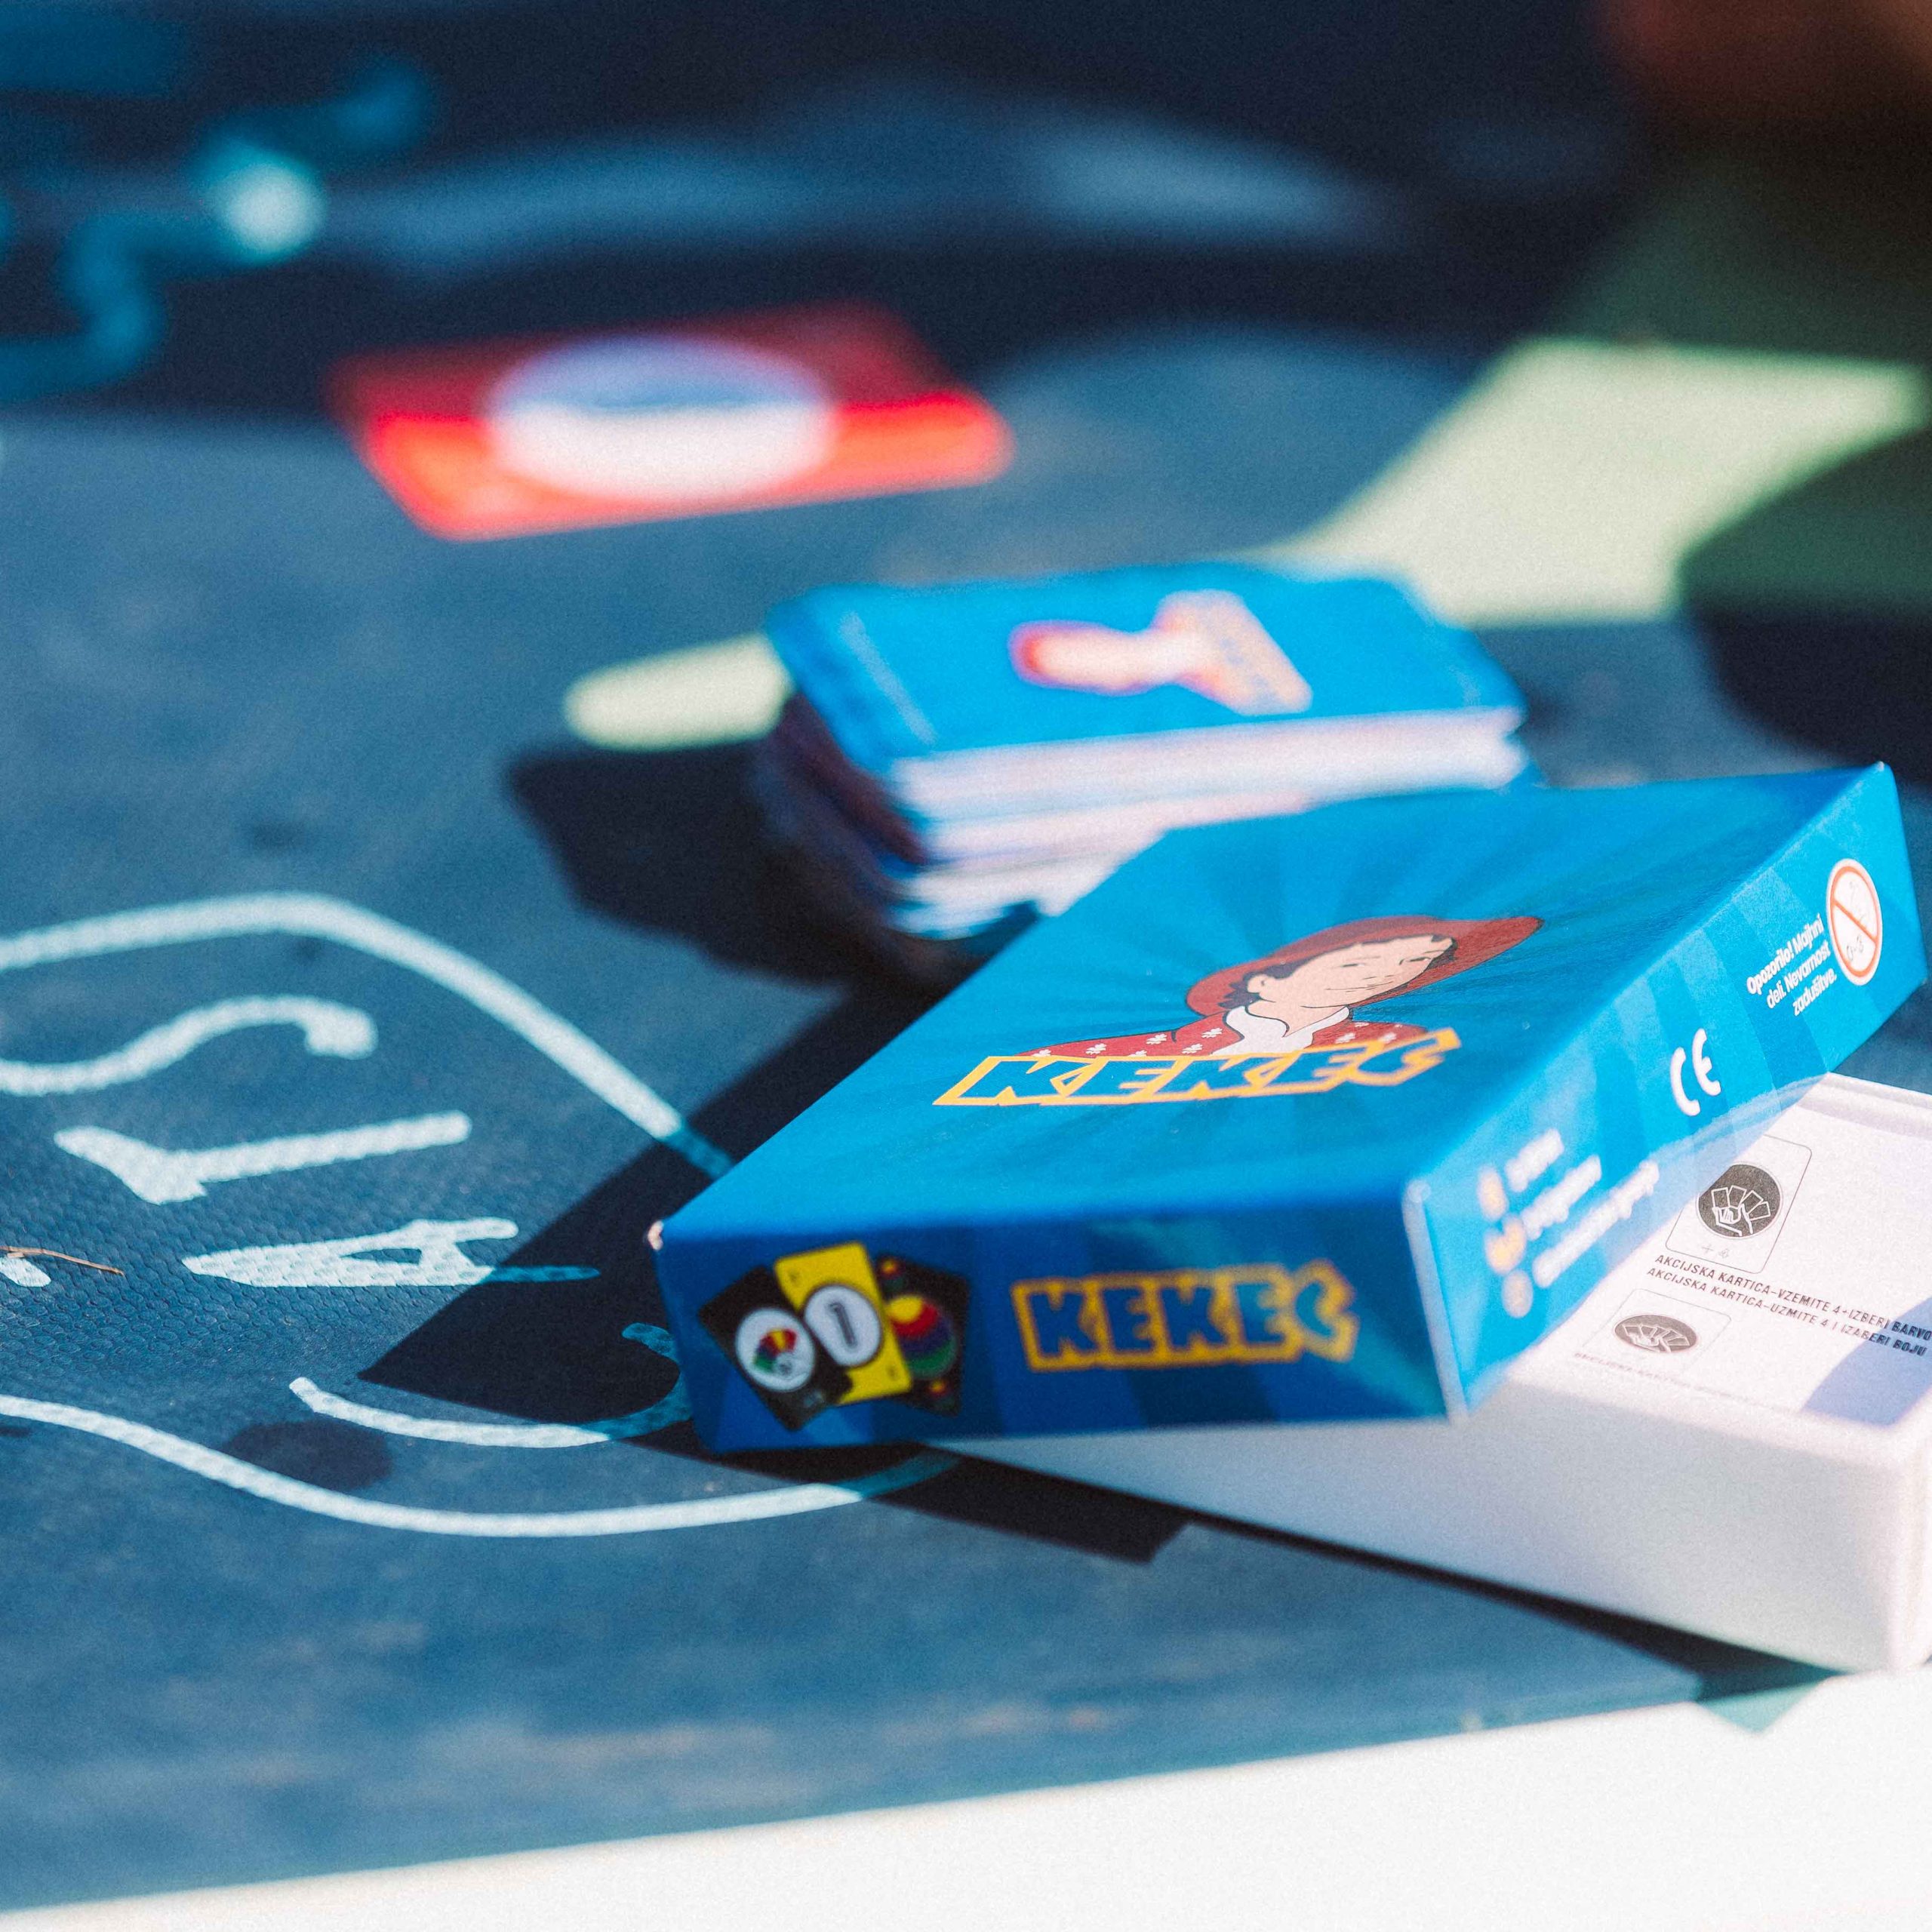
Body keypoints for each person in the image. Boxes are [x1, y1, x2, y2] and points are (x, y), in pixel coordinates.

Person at [1041, 914, 1542, 1060]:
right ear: (1263, 979)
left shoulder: (1393, 1044)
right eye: (1360, 961)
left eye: (1413, 964)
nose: (1387, 972)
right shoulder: (1116, 1054)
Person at [1008, 589, 1313, 715]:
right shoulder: (1242, 695)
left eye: (1078, 650)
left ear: (1092, 634)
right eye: (1078, 670)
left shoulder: (1190, 606)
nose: (1093, 660)